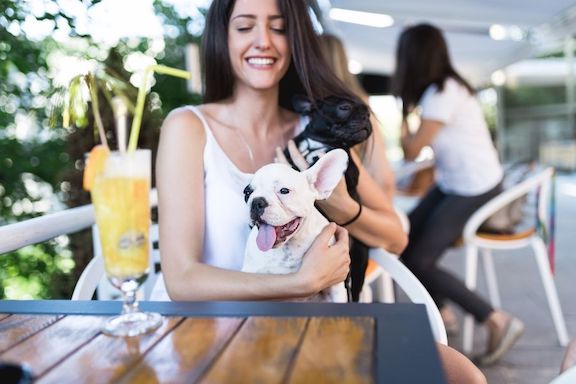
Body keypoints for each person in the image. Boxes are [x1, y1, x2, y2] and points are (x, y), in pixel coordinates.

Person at [153, 1, 483, 382]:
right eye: (245, 27)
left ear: (296, 41)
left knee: (463, 375)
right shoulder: (188, 127)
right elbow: (181, 279)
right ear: (221, 39)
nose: (263, 41)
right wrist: (301, 283)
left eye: (278, 28)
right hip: (208, 331)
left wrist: (341, 205)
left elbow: (396, 236)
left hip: (301, 331)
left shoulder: (318, 132)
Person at [392, 23, 524, 365]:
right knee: (401, 237)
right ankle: (443, 314)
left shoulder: (442, 93)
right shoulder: (443, 90)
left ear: (412, 58)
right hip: (455, 182)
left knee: (419, 258)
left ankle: (497, 319)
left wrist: (403, 115)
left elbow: (411, 150)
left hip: (475, 187)